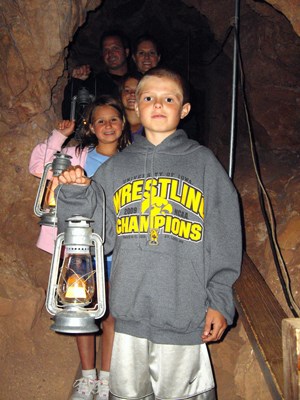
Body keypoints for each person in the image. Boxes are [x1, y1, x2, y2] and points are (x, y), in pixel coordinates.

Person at [56, 67, 242, 400]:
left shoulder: (203, 163)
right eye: (149, 98)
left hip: (184, 313)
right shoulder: (116, 168)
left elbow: (225, 235)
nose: (158, 104)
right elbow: (97, 237)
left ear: (184, 110)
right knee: (129, 393)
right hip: (129, 315)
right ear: (136, 108)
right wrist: (76, 192)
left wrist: (219, 298)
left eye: (168, 98)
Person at [29, 95, 131, 400]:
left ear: (124, 123)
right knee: (82, 310)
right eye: (100, 120)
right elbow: (39, 166)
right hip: (81, 247)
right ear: (90, 126)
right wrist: (60, 136)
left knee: (111, 313)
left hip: (119, 247)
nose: (108, 125)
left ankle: (107, 379)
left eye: (113, 119)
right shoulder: (77, 155)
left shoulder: (133, 157)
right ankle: (88, 377)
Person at [62, 30, 131, 122]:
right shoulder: (94, 83)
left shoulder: (137, 81)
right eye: (106, 50)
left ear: (126, 52)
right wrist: (76, 82)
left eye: (115, 48)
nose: (110, 54)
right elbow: (70, 116)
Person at [119, 72, 143, 141]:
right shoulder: (114, 125)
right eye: (127, 90)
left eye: (137, 90)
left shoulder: (153, 126)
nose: (132, 94)